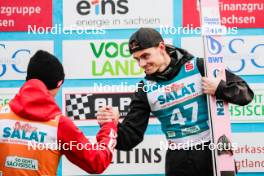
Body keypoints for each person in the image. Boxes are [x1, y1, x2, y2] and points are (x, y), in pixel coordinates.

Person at [97, 28, 254, 176]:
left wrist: (219, 88)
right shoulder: (144, 89)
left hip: (212, 152)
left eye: (146, 56)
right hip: (178, 160)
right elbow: (129, 140)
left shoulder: (199, 66)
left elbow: (246, 94)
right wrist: (112, 124)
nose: (142, 64)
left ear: (161, 47)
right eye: (137, 59)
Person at [0, 50, 117, 175]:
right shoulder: (60, 125)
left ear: (27, 80)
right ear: (58, 83)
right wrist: (109, 126)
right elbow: (97, 162)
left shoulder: (2, 115)